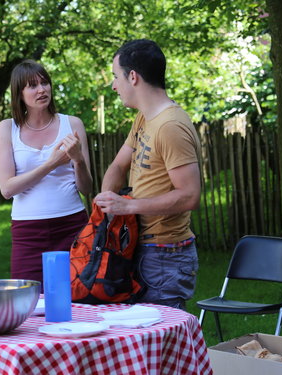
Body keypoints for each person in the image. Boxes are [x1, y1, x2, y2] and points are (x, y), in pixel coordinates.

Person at [93, 39, 202, 310]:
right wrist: (109, 203)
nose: (114, 85)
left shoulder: (171, 126)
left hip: (166, 255)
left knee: (162, 346)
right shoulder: (144, 118)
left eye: (116, 77)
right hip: (141, 249)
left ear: (133, 77)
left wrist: (127, 205)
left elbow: (189, 196)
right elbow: (118, 166)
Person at [0, 59, 93, 287]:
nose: (42, 90)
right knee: (26, 300)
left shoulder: (73, 124)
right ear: (19, 94)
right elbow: (8, 188)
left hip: (72, 225)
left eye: (45, 83)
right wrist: (50, 164)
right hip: (27, 231)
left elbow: (86, 188)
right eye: (32, 85)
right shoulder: (7, 129)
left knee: (77, 296)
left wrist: (78, 160)